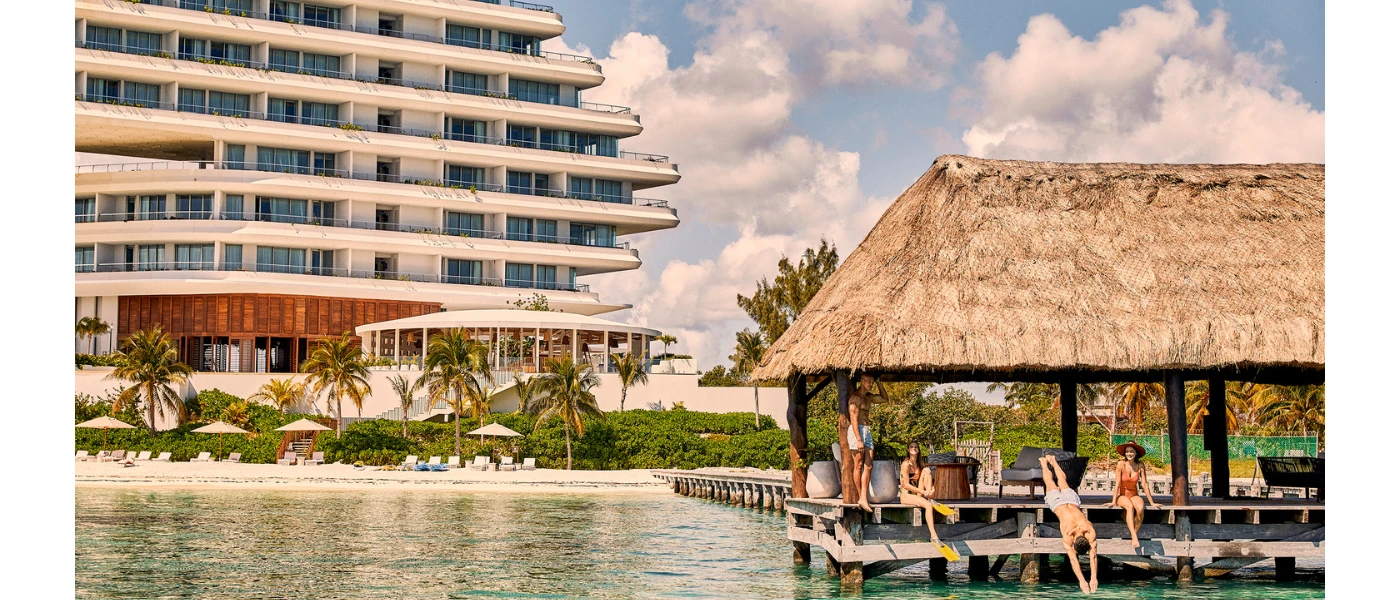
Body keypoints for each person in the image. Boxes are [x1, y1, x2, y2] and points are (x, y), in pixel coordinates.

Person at [1041, 454, 1098, 594]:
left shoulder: (1089, 531)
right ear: (1074, 543)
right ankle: (1043, 463)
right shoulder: (1068, 536)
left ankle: (1053, 461)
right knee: (1049, 482)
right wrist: (1085, 580)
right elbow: (1075, 560)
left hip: (1071, 501)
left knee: (1062, 480)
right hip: (1058, 504)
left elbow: (1093, 556)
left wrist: (1091, 578)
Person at [898, 442, 960, 561]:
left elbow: (925, 479)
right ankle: (934, 536)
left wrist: (931, 489)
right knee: (927, 506)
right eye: (911, 447)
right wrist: (923, 491)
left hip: (918, 493)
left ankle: (930, 498)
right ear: (908, 450)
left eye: (916, 447)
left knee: (927, 470)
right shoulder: (906, 464)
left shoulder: (919, 463)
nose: (914, 449)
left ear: (918, 450)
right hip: (906, 495)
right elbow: (905, 485)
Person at [1104, 440, 1157, 548]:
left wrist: (1152, 503)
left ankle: (1134, 533)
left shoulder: (1140, 465)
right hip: (1122, 496)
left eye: (1131, 451)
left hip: (1134, 495)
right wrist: (1113, 501)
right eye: (1127, 451)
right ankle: (1134, 537)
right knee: (1129, 506)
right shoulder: (1121, 464)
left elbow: (1145, 485)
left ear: (1136, 453)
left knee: (1140, 508)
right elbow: (1117, 484)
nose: (1129, 454)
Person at [847, 373, 886, 512]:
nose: (870, 384)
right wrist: (858, 439)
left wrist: (879, 382)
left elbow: (884, 399)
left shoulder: (868, 397)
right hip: (856, 431)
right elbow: (854, 419)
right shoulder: (855, 398)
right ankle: (861, 497)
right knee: (858, 465)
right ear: (862, 381)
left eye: (872, 382)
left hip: (867, 430)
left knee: (869, 465)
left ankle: (863, 496)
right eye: (868, 381)